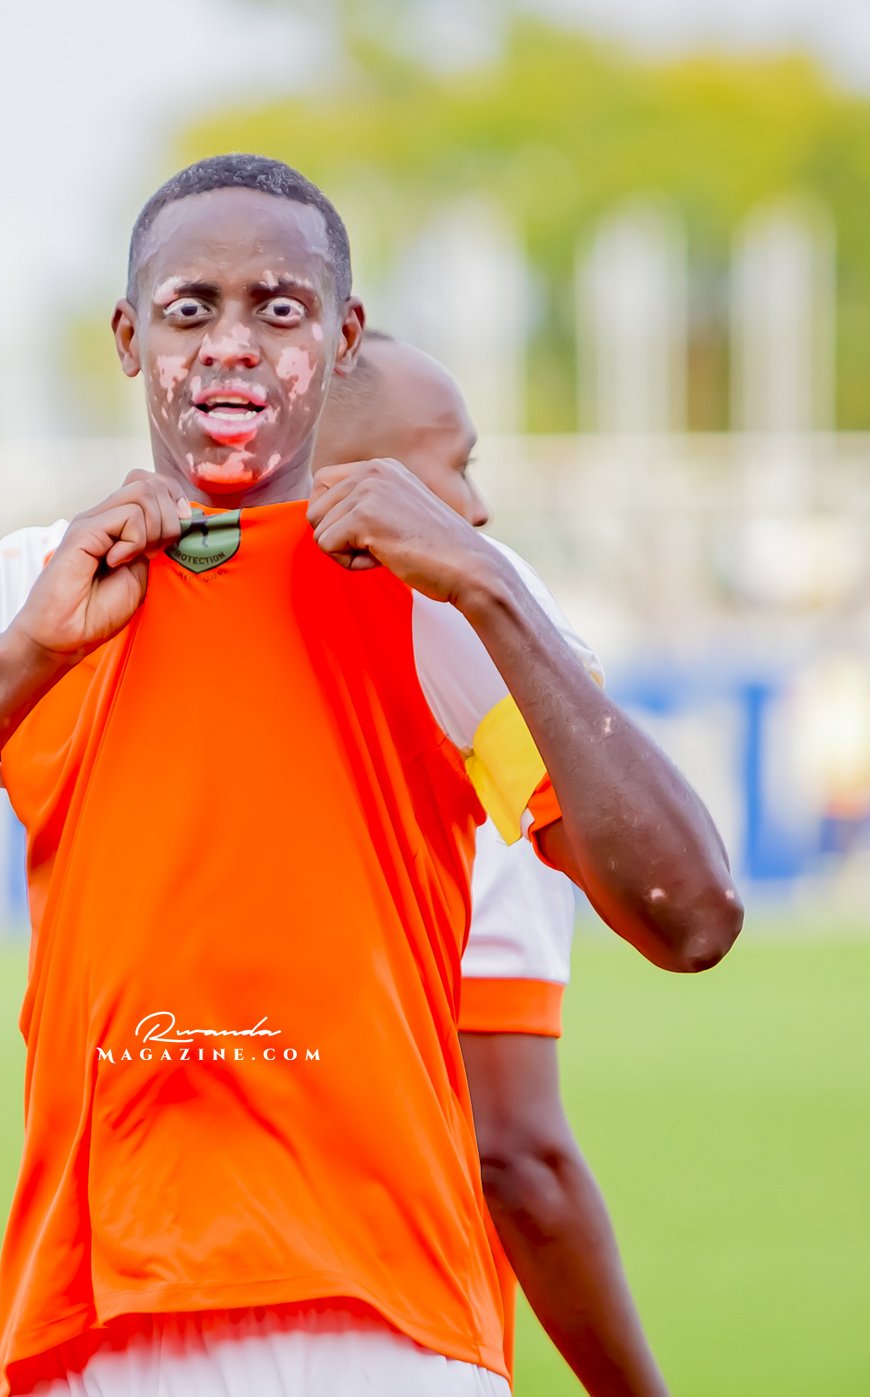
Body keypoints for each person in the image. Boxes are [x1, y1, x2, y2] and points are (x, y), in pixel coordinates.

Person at [0, 154, 740, 1397]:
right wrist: (23, 660)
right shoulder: (27, 586)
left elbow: (688, 915)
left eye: (277, 308)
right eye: (191, 308)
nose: (231, 343)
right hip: (93, 1328)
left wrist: (490, 589)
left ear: (341, 338)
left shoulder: (432, 592)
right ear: (130, 338)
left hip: (387, 1330)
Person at [317, 330, 669, 1397]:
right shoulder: (472, 687)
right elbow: (514, 1151)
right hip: (395, 1332)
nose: (476, 511)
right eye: (456, 466)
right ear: (357, 483)